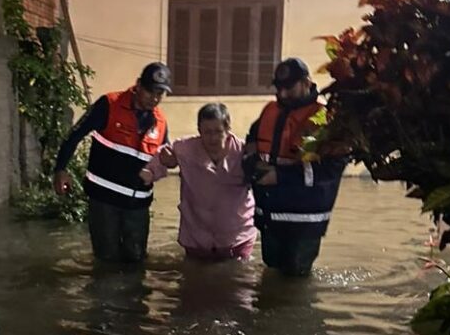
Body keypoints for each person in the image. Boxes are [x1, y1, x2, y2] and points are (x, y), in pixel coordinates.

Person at [53, 62, 171, 263]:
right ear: (138, 85)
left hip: (137, 207)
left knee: (137, 261)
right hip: (104, 202)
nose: (155, 98)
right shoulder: (109, 104)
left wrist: (158, 170)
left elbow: (164, 159)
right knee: (106, 262)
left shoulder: (160, 122)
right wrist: (60, 169)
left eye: (160, 93)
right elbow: (74, 135)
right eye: (151, 91)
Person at [243, 58, 346, 277]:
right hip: (269, 217)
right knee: (271, 278)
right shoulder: (269, 111)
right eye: (279, 88)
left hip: (304, 223)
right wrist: (253, 166)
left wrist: (280, 176)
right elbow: (251, 144)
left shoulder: (324, 118)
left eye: (289, 88)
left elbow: (330, 169)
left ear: (307, 83)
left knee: (295, 285)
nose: (283, 93)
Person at [140, 103, 256, 261]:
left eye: (218, 132)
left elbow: (265, 172)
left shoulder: (244, 153)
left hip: (238, 239)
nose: (213, 138)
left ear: (228, 128)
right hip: (197, 240)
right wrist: (150, 172)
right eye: (207, 132)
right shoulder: (184, 149)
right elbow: (161, 158)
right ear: (199, 130)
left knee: (239, 281)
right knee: (194, 283)